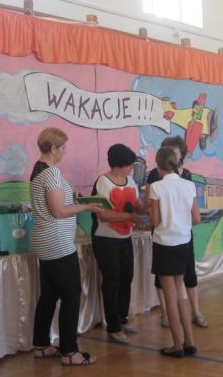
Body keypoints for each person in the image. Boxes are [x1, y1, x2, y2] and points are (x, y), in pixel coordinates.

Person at [28, 127, 102, 366]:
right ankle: (70, 352)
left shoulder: (38, 170)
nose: (65, 152)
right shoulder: (51, 173)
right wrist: (88, 207)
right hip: (57, 242)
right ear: (53, 148)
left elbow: (55, 202)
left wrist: (73, 198)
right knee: (71, 295)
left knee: (49, 295)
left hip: (45, 241)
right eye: (63, 148)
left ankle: (41, 345)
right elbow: (58, 211)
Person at [145, 135, 209, 329]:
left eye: (173, 150)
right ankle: (171, 320)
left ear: (180, 155)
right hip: (172, 236)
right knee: (170, 284)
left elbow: (158, 218)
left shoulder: (184, 178)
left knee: (185, 276)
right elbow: (195, 217)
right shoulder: (157, 178)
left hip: (175, 237)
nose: (170, 154)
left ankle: (191, 316)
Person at [149, 146, 201, 358]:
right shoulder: (189, 185)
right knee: (180, 295)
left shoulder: (156, 187)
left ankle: (177, 345)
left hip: (164, 245)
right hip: (183, 244)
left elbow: (155, 221)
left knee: (170, 298)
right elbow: (196, 218)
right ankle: (190, 342)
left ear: (158, 166)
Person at [91, 143, 145, 344]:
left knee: (126, 277)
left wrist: (149, 205)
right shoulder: (103, 182)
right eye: (129, 165)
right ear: (120, 164)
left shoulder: (130, 181)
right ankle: (113, 326)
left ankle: (122, 318)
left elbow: (137, 205)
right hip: (106, 239)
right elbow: (103, 215)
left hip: (125, 238)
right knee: (112, 280)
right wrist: (130, 216)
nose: (131, 169)